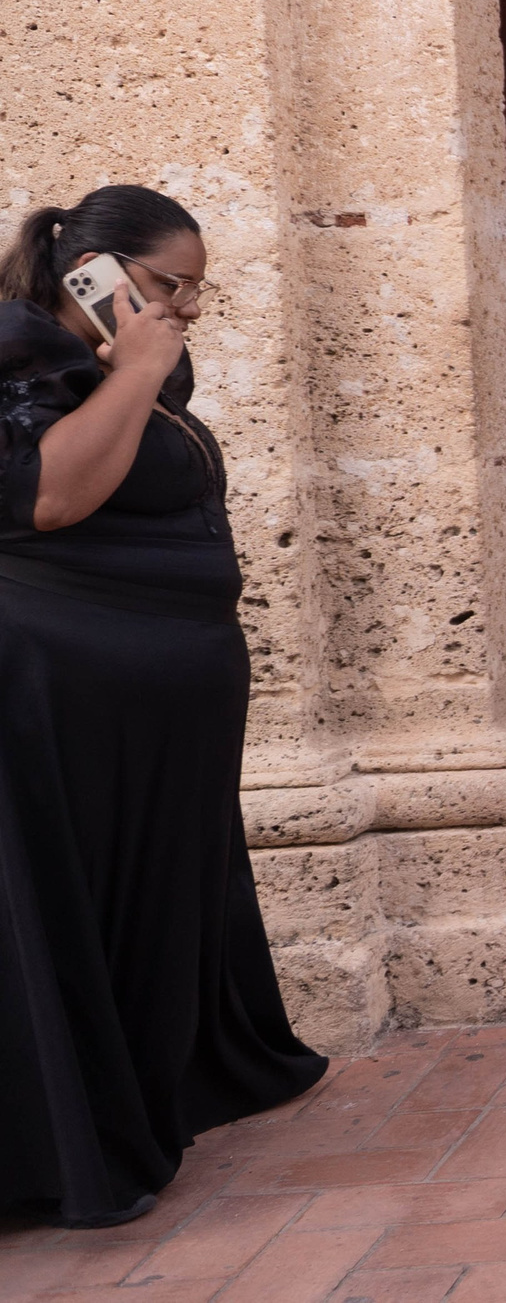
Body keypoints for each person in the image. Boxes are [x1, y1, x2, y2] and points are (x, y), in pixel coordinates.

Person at [0, 187, 326, 1228]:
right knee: (76, 911)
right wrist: (136, 367)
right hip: (58, 700)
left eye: (196, 295)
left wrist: (140, 367)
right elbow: (48, 497)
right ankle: (78, 1137)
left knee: (150, 907)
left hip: (151, 703)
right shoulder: (17, 357)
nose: (183, 311)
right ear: (88, 271)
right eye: (166, 287)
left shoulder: (125, 367)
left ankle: (163, 1083)